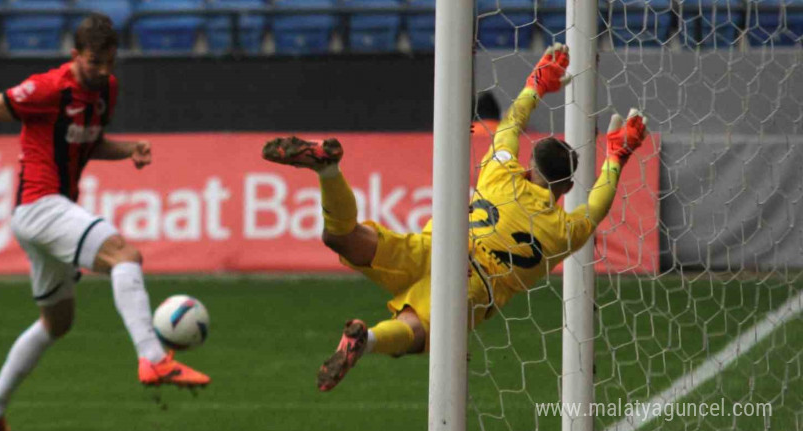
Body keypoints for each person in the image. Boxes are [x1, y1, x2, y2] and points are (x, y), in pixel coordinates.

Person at [261, 43, 649, 392]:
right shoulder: (564, 231)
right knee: (422, 331)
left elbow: (511, 123)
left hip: (437, 245)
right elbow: (598, 205)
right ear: (565, 189)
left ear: (530, 168)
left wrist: (537, 84)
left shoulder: (501, 174)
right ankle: (369, 340)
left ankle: (328, 171)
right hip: (475, 282)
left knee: (343, 238)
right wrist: (617, 157)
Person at [0, 14, 210, 431]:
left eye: (110, 62)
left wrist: (129, 149)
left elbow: (87, 142)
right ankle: (152, 356)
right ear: (75, 55)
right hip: (41, 205)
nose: (103, 71)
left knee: (57, 323)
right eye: (94, 62)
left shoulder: (105, 90)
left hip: (40, 216)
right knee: (125, 256)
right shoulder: (47, 88)